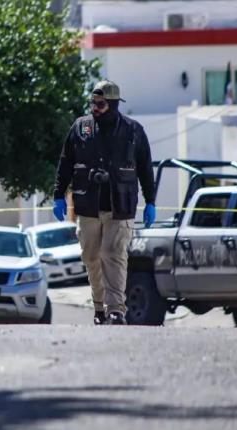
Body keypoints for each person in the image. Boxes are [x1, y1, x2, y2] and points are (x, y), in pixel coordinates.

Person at [52, 80, 156, 325]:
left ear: (112, 104)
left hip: (121, 207)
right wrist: (58, 194)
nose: (95, 108)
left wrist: (151, 200)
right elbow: (65, 162)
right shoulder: (81, 127)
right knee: (91, 256)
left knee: (113, 253)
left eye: (100, 104)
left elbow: (145, 168)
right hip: (88, 205)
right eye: (93, 103)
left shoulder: (133, 131)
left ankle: (116, 310)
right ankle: (99, 308)